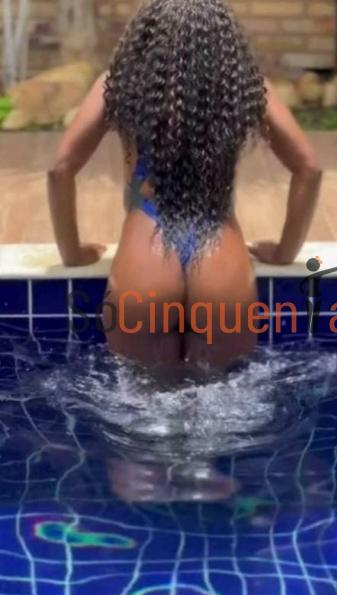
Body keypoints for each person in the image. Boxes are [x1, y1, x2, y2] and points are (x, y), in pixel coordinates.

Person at [48, 0, 322, 368]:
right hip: (220, 256)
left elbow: (60, 169)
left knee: (140, 398)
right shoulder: (244, 84)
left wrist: (73, 254)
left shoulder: (120, 83)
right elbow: (309, 168)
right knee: (225, 398)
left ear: (146, 33)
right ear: (222, 36)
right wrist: (286, 252)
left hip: (145, 257)